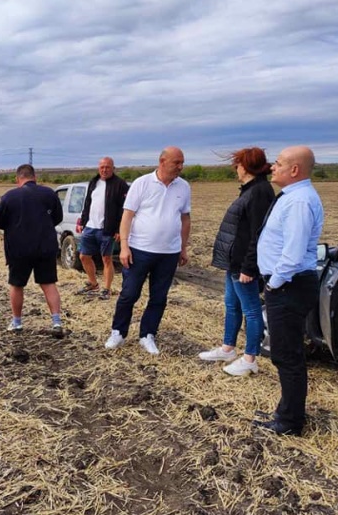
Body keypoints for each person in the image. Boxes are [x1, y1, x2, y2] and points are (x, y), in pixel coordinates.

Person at [252, 146, 323, 436]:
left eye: (279, 164)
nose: (273, 167)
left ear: (294, 170)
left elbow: (292, 255)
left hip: (289, 286)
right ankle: (286, 411)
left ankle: (290, 422)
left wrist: (273, 283)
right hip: (287, 285)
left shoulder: (299, 202)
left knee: (287, 354)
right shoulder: (294, 197)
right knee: (285, 351)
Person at [105, 147, 191, 354]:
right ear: (162, 161)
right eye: (176, 162)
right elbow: (127, 216)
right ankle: (118, 332)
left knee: (159, 296)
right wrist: (124, 247)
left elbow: (185, 218)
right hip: (139, 250)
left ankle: (147, 334)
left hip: (168, 253)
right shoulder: (142, 183)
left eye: (182, 163)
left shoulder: (184, 187)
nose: (180, 167)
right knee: (129, 294)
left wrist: (182, 247)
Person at [199, 148, 275, 375]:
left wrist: (249, 267)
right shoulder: (250, 190)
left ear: (248, 166)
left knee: (251, 311)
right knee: (232, 306)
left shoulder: (260, 192)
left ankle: (250, 358)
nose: (236, 168)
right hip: (235, 263)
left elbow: (257, 234)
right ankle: (228, 348)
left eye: (238, 164)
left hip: (244, 265)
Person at [0, 164, 64, 332]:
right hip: (45, 247)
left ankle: (17, 323)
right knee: (48, 284)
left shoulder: (9, 197)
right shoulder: (49, 194)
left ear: (18, 179)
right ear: (35, 177)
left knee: (17, 285)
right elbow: (58, 217)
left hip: (19, 249)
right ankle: (56, 322)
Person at [76, 156, 130, 299]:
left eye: (108, 167)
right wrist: (83, 221)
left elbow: (125, 208)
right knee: (83, 256)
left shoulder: (120, 184)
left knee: (106, 259)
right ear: (98, 168)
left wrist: (119, 229)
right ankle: (93, 283)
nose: (105, 170)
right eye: (102, 167)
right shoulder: (94, 182)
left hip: (107, 229)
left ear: (113, 168)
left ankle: (106, 289)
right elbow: (87, 203)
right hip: (90, 227)